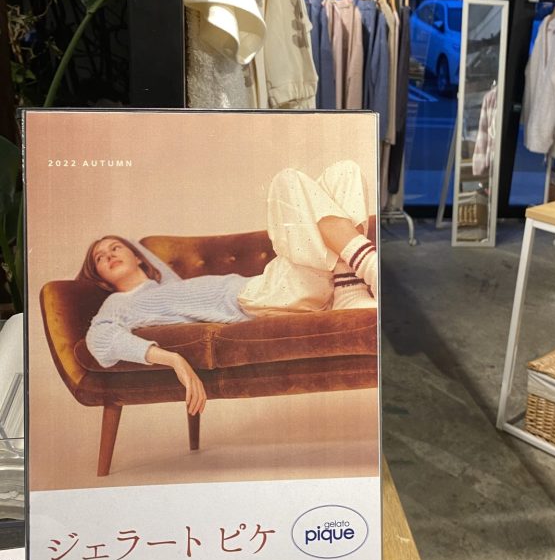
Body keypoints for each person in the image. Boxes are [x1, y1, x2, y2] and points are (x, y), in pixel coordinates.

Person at [78, 161, 378, 417]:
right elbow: (100, 340)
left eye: (115, 247)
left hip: (279, 285)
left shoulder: (165, 286)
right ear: (100, 277)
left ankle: (348, 287)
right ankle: (366, 270)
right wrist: (173, 359)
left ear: (137, 257)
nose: (109, 255)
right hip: (262, 298)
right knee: (286, 179)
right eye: (100, 258)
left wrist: (137, 252)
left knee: (343, 171)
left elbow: (146, 251)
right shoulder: (120, 303)